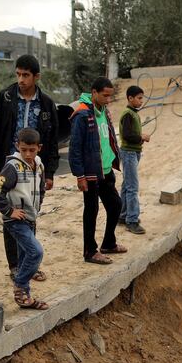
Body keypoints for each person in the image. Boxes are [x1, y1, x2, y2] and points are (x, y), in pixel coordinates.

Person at [0, 54, 58, 282]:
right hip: (11, 166)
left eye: (25, 75)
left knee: (30, 213)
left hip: (34, 167)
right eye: (18, 74)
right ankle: (15, 266)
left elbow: (53, 138)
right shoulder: (6, 97)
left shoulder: (46, 103)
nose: (21, 79)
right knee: (11, 215)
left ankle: (30, 262)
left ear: (36, 76)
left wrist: (51, 172)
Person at [0, 128, 49, 310]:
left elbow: (42, 188)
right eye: (24, 150)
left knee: (24, 257)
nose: (28, 154)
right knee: (35, 252)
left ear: (39, 148)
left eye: (32, 150)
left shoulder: (39, 164)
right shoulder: (12, 167)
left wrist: (36, 207)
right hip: (16, 221)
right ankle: (20, 285)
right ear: (18, 147)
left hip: (30, 218)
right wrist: (9, 211)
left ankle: (26, 298)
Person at [69, 77, 126, 264]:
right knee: (91, 211)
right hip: (91, 172)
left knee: (115, 205)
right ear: (94, 93)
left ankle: (109, 243)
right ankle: (90, 252)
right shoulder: (82, 114)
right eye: (105, 95)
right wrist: (80, 175)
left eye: (110, 96)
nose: (108, 99)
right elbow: (75, 148)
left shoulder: (104, 111)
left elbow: (108, 138)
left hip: (106, 170)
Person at [118, 85, 151, 234]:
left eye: (141, 98)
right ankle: (132, 220)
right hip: (129, 153)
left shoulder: (133, 113)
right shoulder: (128, 114)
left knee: (126, 185)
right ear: (130, 98)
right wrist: (141, 137)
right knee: (132, 187)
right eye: (138, 98)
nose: (141, 101)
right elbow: (126, 135)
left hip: (133, 152)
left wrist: (139, 138)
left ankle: (122, 215)